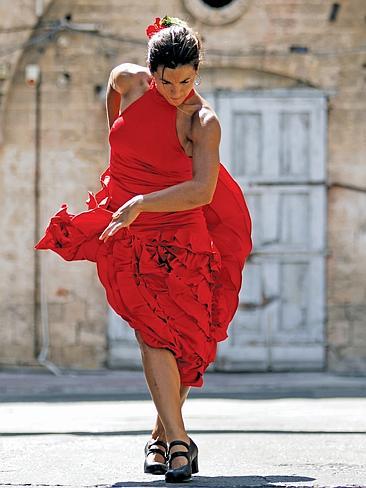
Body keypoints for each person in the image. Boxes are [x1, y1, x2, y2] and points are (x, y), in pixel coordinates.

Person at [35, 15, 252, 483]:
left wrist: (139, 202)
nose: (177, 90)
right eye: (168, 81)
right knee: (152, 332)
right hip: (130, 232)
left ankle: (161, 434)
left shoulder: (202, 121)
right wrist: (119, 150)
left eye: (187, 80)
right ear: (151, 73)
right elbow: (113, 100)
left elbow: (201, 191)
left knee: (187, 342)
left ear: (198, 71)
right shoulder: (128, 82)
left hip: (180, 236)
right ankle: (178, 443)